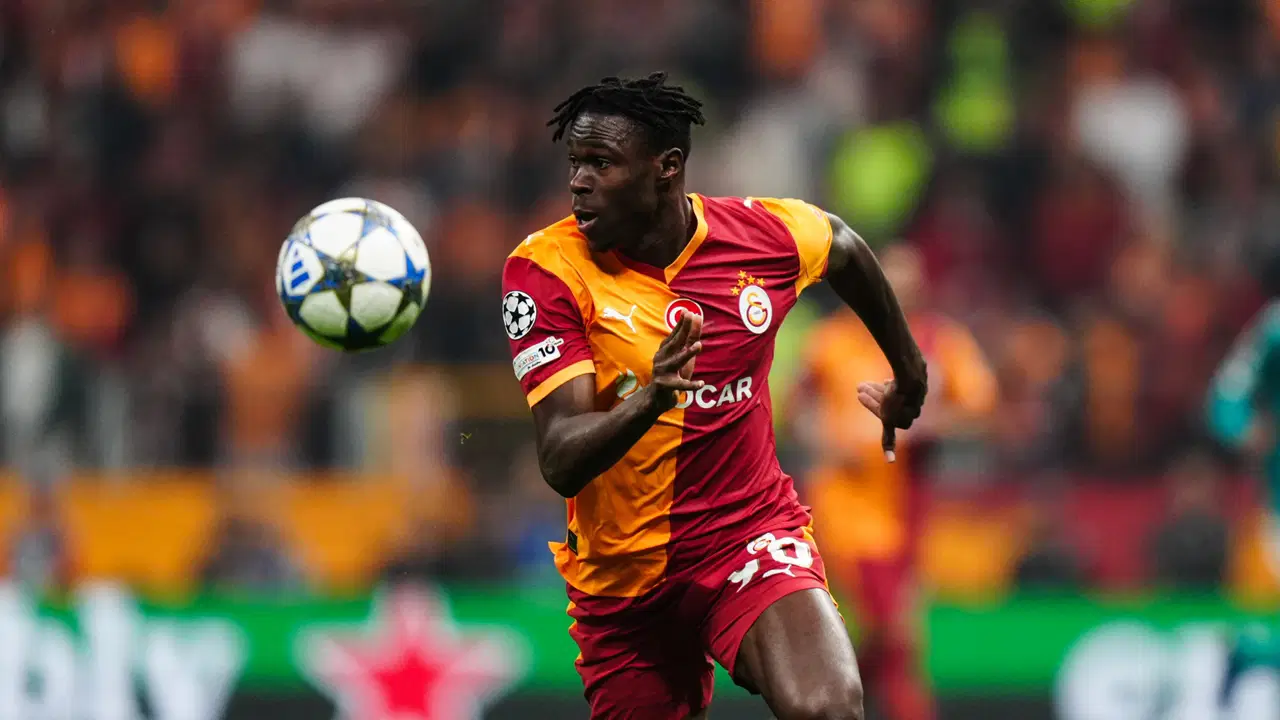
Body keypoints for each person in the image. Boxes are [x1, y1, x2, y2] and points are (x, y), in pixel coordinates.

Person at [500, 73, 928, 720]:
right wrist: (651, 399)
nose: (579, 182)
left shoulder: (761, 236)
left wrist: (909, 373)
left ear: (666, 168)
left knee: (828, 707)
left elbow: (843, 245)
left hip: (746, 535)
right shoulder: (545, 270)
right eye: (575, 163)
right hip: (623, 581)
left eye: (601, 163)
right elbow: (560, 459)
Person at [790, 244, 995, 720]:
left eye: (907, 285)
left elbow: (981, 410)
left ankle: (824, 705)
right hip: (845, 507)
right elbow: (797, 410)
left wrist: (921, 424)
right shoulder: (830, 341)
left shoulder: (938, 342)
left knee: (886, 635)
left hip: (908, 508)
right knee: (897, 633)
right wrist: (830, 439)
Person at [1208, 300, 1280, 704]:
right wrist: (1246, 428)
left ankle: (1249, 656)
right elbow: (1226, 397)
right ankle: (1247, 658)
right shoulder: (1276, 327)